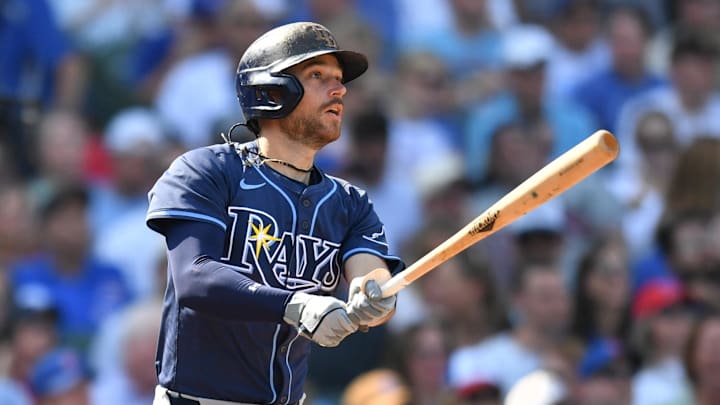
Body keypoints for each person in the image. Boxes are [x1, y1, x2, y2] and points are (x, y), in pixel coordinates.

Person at [146, 22, 402, 405]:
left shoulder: (350, 202)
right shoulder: (208, 170)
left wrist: (374, 296)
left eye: (339, 79)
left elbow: (369, 273)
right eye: (318, 76)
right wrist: (297, 305)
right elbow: (193, 276)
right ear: (271, 91)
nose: (340, 90)